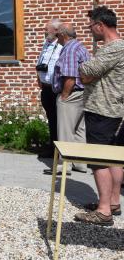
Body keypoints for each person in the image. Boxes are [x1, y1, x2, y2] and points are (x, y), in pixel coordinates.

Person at [74, 6, 124, 226]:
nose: (90, 31)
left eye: (90, 26)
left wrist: (85, 71)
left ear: (100, 25)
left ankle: (104, 211)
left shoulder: (113, 48)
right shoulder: (116, 48)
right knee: (113, 157)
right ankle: (113, 202)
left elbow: (87, 72)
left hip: (102, 110)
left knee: (98, 160)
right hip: (111, 110)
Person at [44, 23, 90, 175]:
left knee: (64, 130)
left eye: (58, 36)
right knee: (78, 130)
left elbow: (70, 76)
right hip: (82, 93)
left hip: (71, 94)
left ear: (63, 35)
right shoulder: (80, 47)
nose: (57, 39)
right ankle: (80, 163)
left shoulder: (70, 49)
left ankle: (63, 166)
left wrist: (64, 96)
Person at [36, 19, 64, 158]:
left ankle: (59, 151)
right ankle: (52, 148)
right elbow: (40, 63)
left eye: (47, 29)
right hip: (45, 89)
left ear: (56, 31)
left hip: (56, 90)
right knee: (51, 119)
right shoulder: (45, 45)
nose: (44, 31)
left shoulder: (61, 47)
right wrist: (39, 78)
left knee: (58, 121)